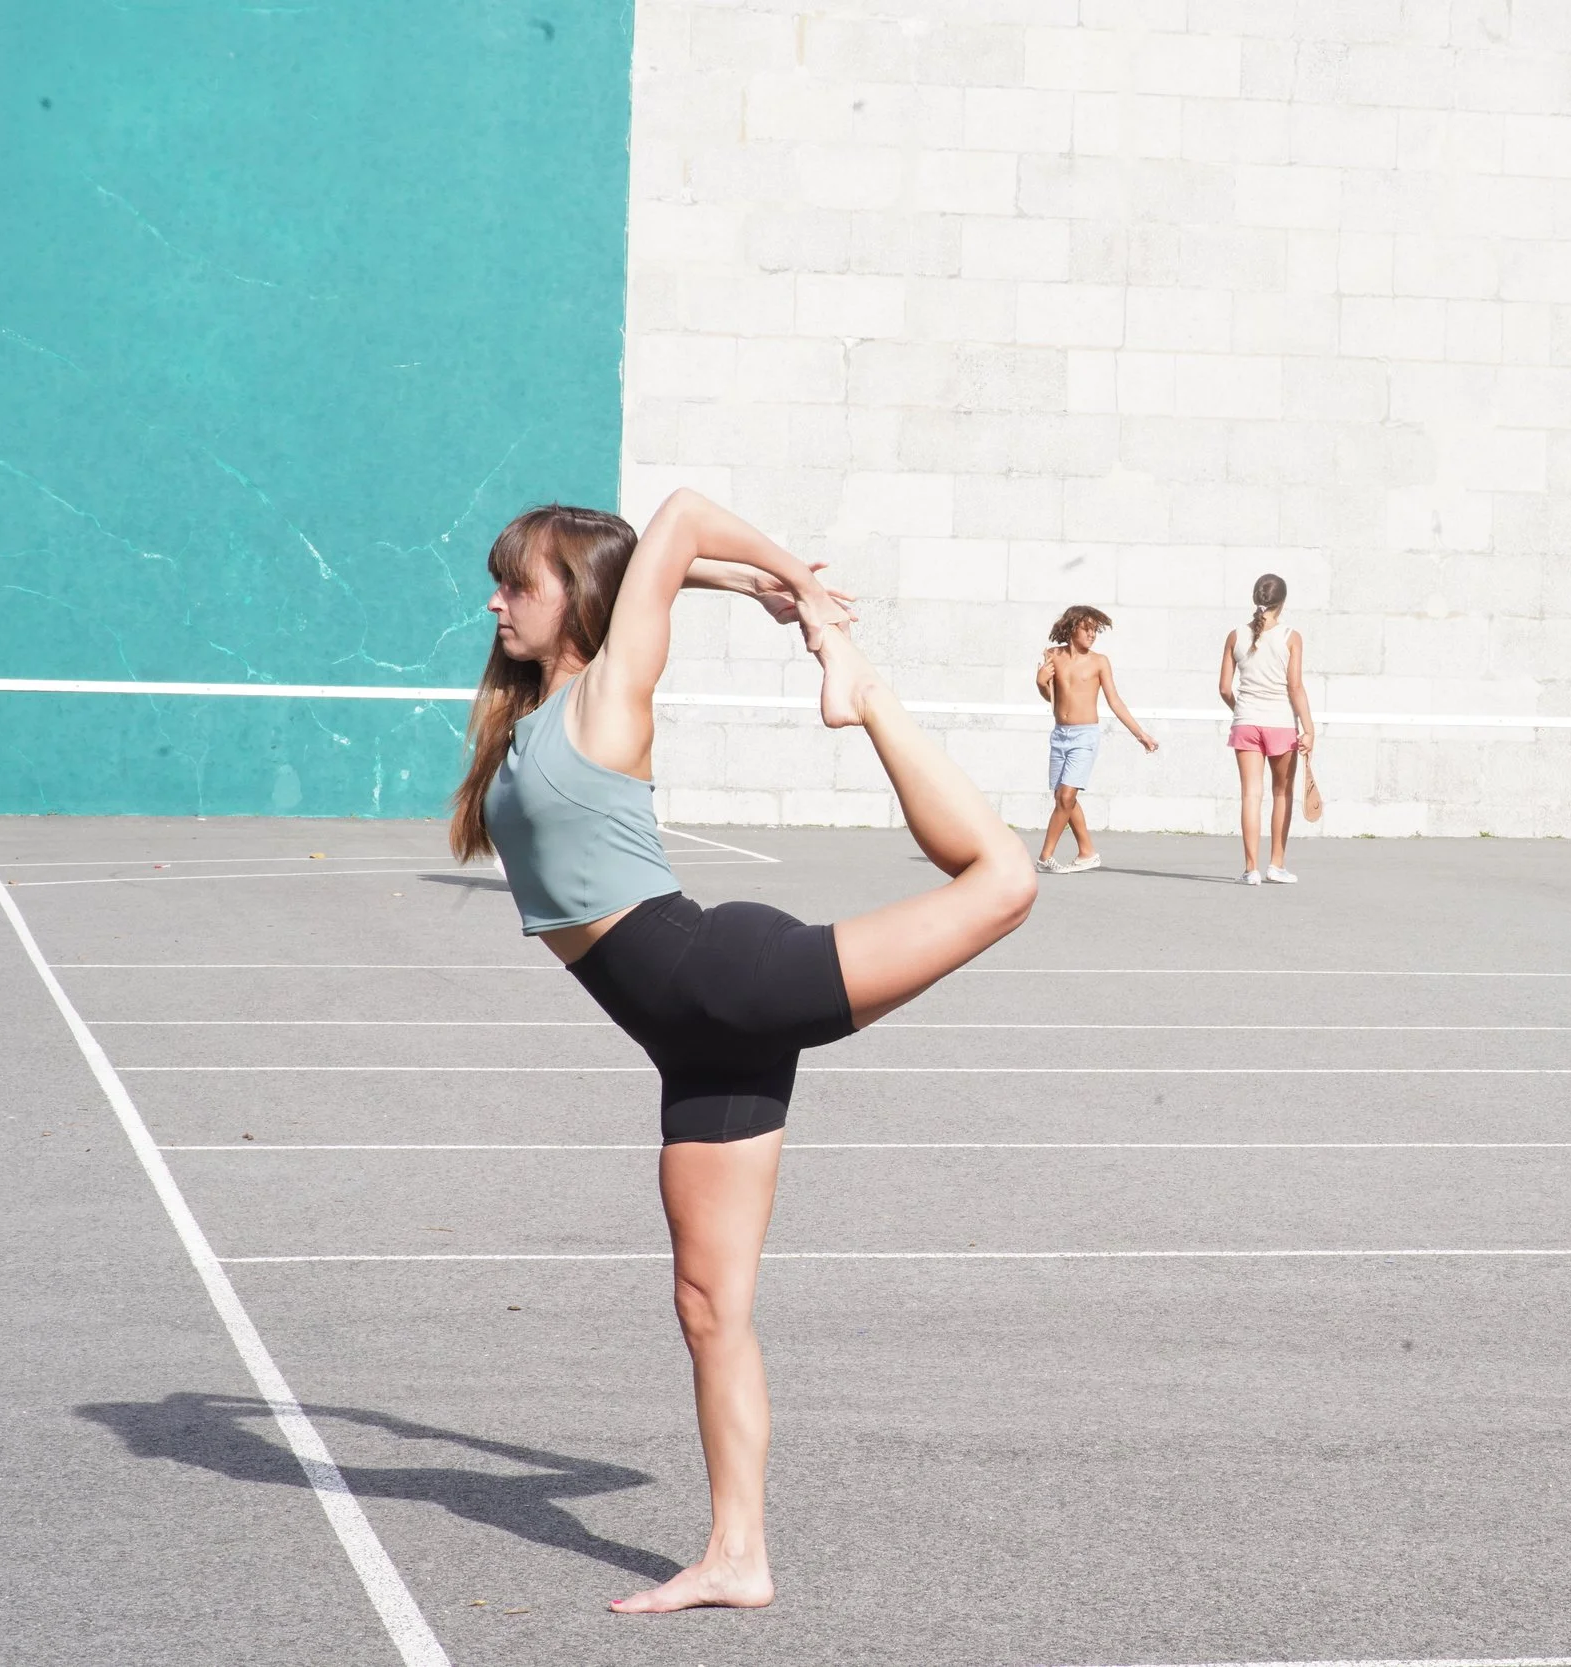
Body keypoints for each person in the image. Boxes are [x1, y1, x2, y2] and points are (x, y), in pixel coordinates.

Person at [450, 494, 1035, 1613]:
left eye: (517, 581)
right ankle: (737, 1556)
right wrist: (741, 583)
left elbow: (678, 518)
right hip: (691, 1042)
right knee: (708, 1304)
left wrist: (802, 593)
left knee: (1004, 882)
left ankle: (864, 692)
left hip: (726, 977)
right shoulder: (542, 712)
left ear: (574, 597)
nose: (496, 601)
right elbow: (654, 567)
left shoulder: (609, 696)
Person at [1033, 604, 1159, 874]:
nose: (1092, 635)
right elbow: (1052, 698)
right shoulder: (1053, 655)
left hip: (1085, 735)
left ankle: (1045, 856)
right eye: (1087, 628)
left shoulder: (1099, 661)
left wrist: (1140, 734)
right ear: (1071, 628)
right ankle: (1087, 852)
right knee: (1062, 798)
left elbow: (1115, 701)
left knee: (1066, 796)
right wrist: (1040, 683)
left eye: (1095, 630)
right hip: (1060, 735)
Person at [1217, 573, 1316, 885]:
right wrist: (1309, 729)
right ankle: (1276, 864)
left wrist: (1241, 712)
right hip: (1281, 724)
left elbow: (1224, 688)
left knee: (1251, 795)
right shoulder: (1291, 636)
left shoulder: (1235, 635)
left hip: (1246, 722)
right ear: (1282, 602)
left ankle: (1251, 870)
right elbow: (1295, 687)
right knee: (1282, 793)